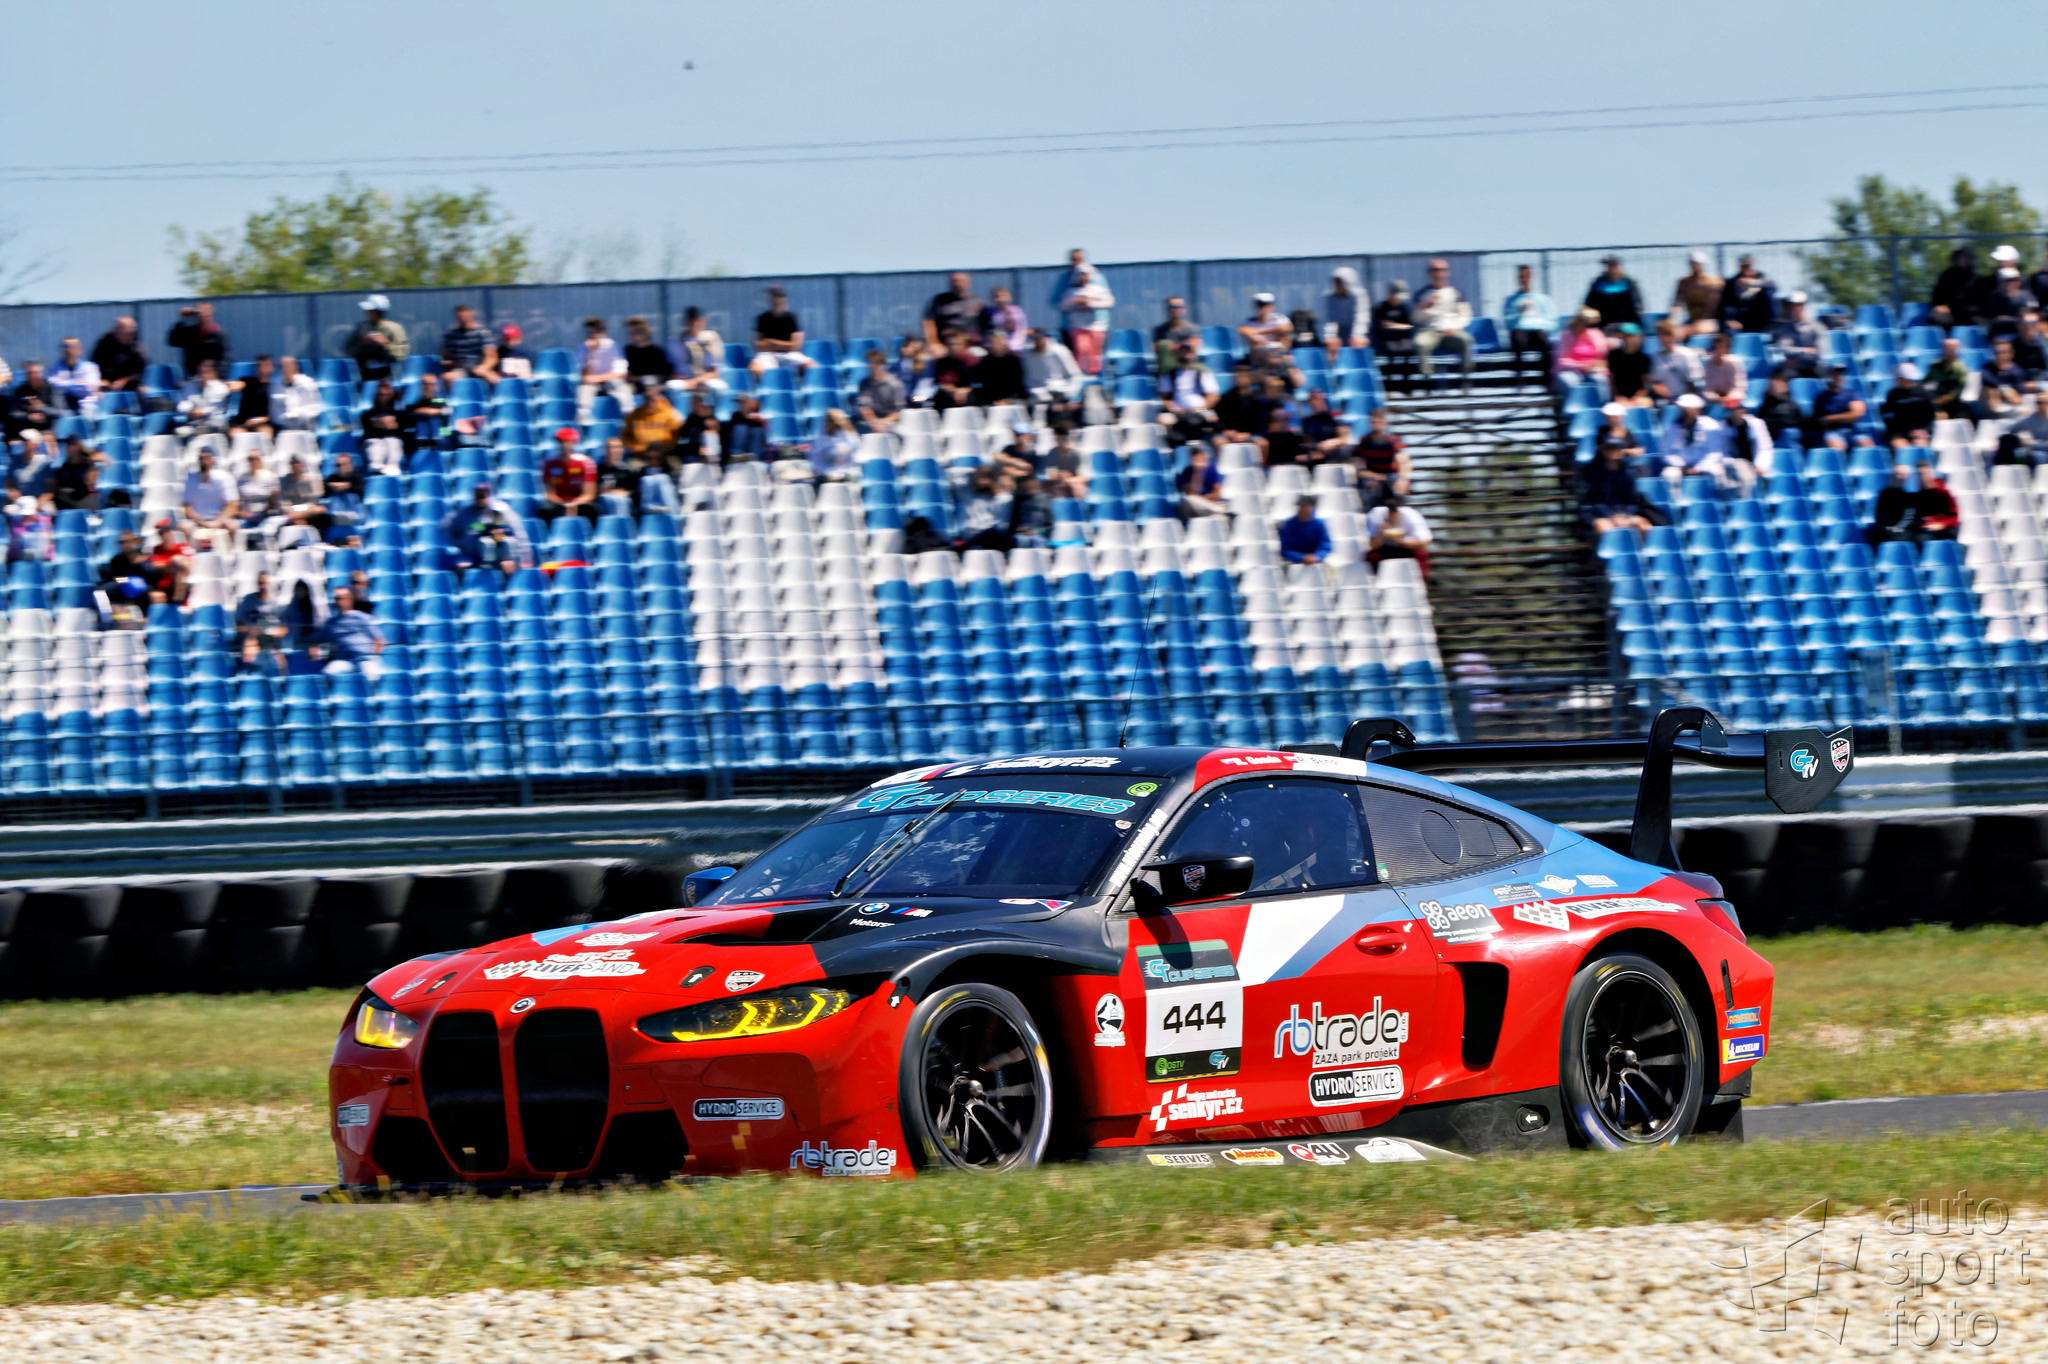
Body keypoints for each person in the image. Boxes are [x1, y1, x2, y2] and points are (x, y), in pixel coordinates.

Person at [1412, 259, 1474, 393]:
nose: (1439, 274)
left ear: (1447, 272)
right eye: (1435, 270)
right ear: (1430, 273)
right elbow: (1416, 319)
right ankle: (1427, 381)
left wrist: (1454, 327)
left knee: (1466, 341)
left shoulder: (1456, 293)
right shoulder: (1421, 294)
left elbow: (1465, 315)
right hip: (1430, 330)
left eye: (1442, 270)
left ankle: (1465, 379)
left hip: (1452, 330)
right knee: (1420, 343)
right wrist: (1424, 308)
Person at [1662, 393, 1737, 488]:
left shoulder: (1711, 425)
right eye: (1682, 408)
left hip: (1706, 464)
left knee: (1717, 473)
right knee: (1669, 475)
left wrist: (1698, 468)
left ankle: (1723, 497)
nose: (1684, 411)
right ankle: (1676, 498)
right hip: (1680, 466)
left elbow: (1715, 452)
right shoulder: (1671, 427)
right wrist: (1682, 465)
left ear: (1697, 409)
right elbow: (1666, 452)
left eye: (1687, 408)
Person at [1582, 443, 1657, 535]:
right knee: (1605, 529)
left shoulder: (1630, 474)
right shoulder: (1594, 475)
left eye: (1617, 449)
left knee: (1644, 526)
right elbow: (1595, 502)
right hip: (1603, 516)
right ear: (1604, 451)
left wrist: (1625, 515)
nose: (1614, 452)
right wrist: (1611, 516)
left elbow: (1633, 500)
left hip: (1625, 515)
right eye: (1610, 449)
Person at [1157, 337, 1220, 445]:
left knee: (1212, 418)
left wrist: (1201, 408)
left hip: (1200, 410)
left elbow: (1213, 396)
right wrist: (1175, 408)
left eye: (1187, 351)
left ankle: (1207, 447)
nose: (1185, 354)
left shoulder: (1203, 372)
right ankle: (1173, 449)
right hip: (1177, 411)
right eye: (1182, 351)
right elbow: (1165, 397)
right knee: (1165, 420)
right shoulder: (1169, 374)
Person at [1501, 264, 1556, 387]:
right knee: (1517, 338)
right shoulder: (1511, 300)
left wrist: (1540, 325)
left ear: (1531, 277)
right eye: (1521, 276)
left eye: (1526, 276)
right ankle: (1520, 380)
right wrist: (1518, 314)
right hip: (1520, 330)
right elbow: (1507, 320)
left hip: (1537, 331)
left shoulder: (1541, 298)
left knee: (1543, 340)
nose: (1524, 279)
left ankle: (1547, 380)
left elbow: (1551, 319)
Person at [1056, 261, 1115, 376]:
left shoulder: (1097, 290)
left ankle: (1095, 376)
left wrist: (1090, 302)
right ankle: (1081, 374)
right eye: (1081, 275)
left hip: (1096, 326)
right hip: (1078, 326)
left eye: (1086, 274)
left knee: (1095, 354)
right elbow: (1062, 306)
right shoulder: (1071, 292)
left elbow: (1109, 302)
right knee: (1082, 349)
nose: (1083, 277)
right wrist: (1076, 302)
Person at [318, 586, 385, 678]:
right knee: (329, 673)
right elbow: (320, 641)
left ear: (350, 599)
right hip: (344, 661)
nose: (339, 601)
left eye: (342, 598)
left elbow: (379, 640)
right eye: (337, 598)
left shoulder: (362, 617)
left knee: (371, 676)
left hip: (365, 659)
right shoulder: (331, 623)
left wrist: (373, 657)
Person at [749, 286, 814, 376]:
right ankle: (768, 384)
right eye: (773, 296)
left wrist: (773, 343)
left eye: (777, 296)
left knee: (811, 366)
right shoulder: (763, 318)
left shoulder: (792, 318)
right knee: (755, 368)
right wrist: (784, 345)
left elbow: (795, 345)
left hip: (789, 354)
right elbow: (758, 345)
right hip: (767, 355)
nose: (775, 299)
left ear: (783, 298)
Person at [539, 427, 599, 524]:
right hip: (559, 503)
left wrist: (574, 504)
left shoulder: (585, 462)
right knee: (546, 510)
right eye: (560, 441)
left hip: (579, 502)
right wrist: (563, 504)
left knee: (592, 509)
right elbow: (550, 493)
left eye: (566, 441)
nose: (563, 445)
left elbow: (589, 494)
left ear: (574, 442)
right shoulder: (549, 464)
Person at [1365, 493, 1432, 577]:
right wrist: (1381, 533)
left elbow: (1425, 541)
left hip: (1408, 548)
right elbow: (1373, 546)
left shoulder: (1412, 516)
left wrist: (1399, 541)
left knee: (1421, 556)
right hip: (1384, 549)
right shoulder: (1376, 514)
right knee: (1372, 557)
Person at [663, 307, 725, 395]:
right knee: (671, 386)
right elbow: (670, 371)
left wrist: (695, 381)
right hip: (684, 381)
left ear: (704, 321)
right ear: (686, 322)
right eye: (691, 321)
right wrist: (677, 377)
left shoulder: (710, 339)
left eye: (698, 320)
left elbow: (713, 373)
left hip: (704, 380)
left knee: (718, 387)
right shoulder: (675, 342)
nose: (695, 324)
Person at [180, 446, 240, 537]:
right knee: (184, 526)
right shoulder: (190, 479)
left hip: (221, 520)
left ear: (213, 460)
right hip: (198, 521)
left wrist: (217, 521)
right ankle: (190, 547)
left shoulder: (225, 478)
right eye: (201, 458)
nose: (204, 461)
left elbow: (232, 505)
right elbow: (187, 506)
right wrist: (201, 522)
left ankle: (233, 547)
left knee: (233, 526)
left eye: (207, 458)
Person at [1353, 407, 1409, 503]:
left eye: (1378, 422)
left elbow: (1403, 462)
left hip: (1391, 476)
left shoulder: (1394, 441)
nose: (1375, 425)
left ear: (1384, 423)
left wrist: (1402, 479)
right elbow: (1359, 470)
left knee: (1398, 488)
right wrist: (1376, 476)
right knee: (1371, 486)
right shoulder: (1364, 442)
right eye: (1373, 422)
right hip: (1372, 476)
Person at [346, 295, 408, 382]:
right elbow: (348, 349)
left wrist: (385, 344)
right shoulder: (362, 327)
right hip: (365, 374)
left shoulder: (394, 328)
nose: (367, 313)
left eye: (371, 310)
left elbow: (401, 355)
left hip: (389, 374)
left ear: (378, 311)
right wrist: (362, 343)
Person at [1370, 281, 1417, 393]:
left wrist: (1395, 326)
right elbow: (1377, 326)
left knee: (1408, 350)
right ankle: (1389, 385)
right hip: (1385, 339)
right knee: (1391, 351)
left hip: (1402, 338)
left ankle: (1406, 384)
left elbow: (1409, 324)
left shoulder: (1404, 308)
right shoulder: (1380, 308)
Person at [1020, 329, 1084, 407]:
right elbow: (1029, 380)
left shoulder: (1060, 351)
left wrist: (1071, 394)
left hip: (1062, 391)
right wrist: (1040, 393)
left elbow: (1075, 375)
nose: (1036, 342)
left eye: (1039, 338)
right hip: (1039, 394)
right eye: (1034, 339)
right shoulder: (1027, 355)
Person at [1808, 365, 1867, 449]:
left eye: (1840, 375)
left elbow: (1856, 414)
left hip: (1853, 430)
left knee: (1866, 444)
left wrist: (1831, 418)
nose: (1838, 377)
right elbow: (1820, 420)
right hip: (1833, 432)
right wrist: (1846, 416)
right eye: (1834, 375)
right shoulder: (1820, 397)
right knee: (1836, 446)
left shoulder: (1852, 394)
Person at [578, 315, 629, 409]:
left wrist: (598, 378)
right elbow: (585, 376)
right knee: (583, 395)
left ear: (603, 333)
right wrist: (589, 353)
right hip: (592, 384)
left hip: (611, 381)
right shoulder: (583, 348)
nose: (591, 336)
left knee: (621, 391)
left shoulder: (613, 346)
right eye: (589, 333)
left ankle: (627, 413)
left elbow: (621, 373)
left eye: (594, 333)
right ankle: (583, 416)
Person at [1717, 256, 1777, 335]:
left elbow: (1773, 287)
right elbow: (1727, 303)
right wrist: (1730, 319)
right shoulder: (1732, 283)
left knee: (1767, 294)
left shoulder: (1762, 279)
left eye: (1748, 266)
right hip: (1739, 319)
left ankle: (1769, 326)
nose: (1746, 269)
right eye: (1743, 266)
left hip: (1759, 318)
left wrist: (1752, 282)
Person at [1880, 363, 1936, 447]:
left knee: (1920, 445)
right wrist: (1895, 434)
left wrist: (1925, 430)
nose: (1897, 380)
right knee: (1900, 445)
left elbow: (1932, 416)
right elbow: (1888, 416)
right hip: (1901, 433)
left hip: (1921, 432)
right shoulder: (1893, 394)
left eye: (1899, 378)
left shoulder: (1924, 393)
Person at [623, 383, 683, 461]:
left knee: (677, 465)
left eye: (652, 399)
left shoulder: (671, 413)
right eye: (647, 398)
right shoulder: (635, 415)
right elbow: (626, 436)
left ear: (658, 397)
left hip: (665, 454)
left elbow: (678, 435)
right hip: (641, 455)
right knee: (631, 466)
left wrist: (666, 448)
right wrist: (636, 447)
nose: (649, 402)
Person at [167, 302, 229, 376]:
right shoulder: (190, 333)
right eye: (200, 312)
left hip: (214, 376)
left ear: (211, 315)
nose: (203, 315)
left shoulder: (219, 333)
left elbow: (227, 358)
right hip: (193, 376)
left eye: (206, 312)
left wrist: (218, 374)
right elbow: (173, 341)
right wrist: (183, 319)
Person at [1215, 367, 1272, 446]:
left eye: (1243, 376)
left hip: (1251, 433)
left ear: (1250, 379)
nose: (1240, 379)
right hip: (1229, 433)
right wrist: (1226, 431)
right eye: (1238, 377)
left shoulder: (1258, 399)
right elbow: (1219, 419)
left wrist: (1247, 434)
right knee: (1219, 442)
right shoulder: (1226, 398)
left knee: (1263, 444)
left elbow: (1261, 422)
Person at [924, 271, 984, 347]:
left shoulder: (977, 302)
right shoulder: (940, 301)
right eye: (954, 281)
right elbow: (929, 322)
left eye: (960, 281)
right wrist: (933, 343)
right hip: (946, 345)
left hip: (971, 345)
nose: (957, 284)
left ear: (968, 283)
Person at [440, 304, 498, 382]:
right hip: (461, 369)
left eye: (465, 316)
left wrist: (483, 367)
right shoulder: (451, 334)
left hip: (479, 368)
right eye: (460, 317)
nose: (463, 319)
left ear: (471, 314)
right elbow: (447, 356)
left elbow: (492, 357)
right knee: (448, 378)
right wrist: (450, 363)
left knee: (494, 379)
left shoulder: (483, 332)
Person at [1583, 255, 1644, 329]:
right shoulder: (1598, 283)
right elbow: (1589, 304)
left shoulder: (1628, 283)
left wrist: (1635, 322)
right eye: (1608, 266)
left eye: (1613, 265)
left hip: (1627, 324)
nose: (1611, 268)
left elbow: (1637, 305)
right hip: (1603, 325)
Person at [1867, 464, 1922, 545]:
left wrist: (1898, 527)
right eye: (1897, 474)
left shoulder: (1910, 495)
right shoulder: (1883, 494)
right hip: (1886, 530)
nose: (1899, 477)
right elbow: (1879, 515)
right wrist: (1888, 527)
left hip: (1903, 531)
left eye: (1903, 475)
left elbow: (1909, 516)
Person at [1648, 319, 1702, 401]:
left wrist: (1686, 398)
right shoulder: (1656, 357)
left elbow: (1694, 383)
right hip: (1667, 399)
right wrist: (1671, 397)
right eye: (1661, 334)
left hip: (1689, 398)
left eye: (1667, 334)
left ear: (1673, 335)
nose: (1663, 338)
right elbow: (1656, 383)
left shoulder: (1688, 354)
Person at [971, 327, 1027, 406]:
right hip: (989, 402)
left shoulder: (1015, 362)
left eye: (995, 342)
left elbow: (1019, 385)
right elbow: (977, 384)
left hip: (1014, 400)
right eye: (990, 342)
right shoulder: (983, 363)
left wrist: (1010, 400)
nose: (991, 345)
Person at [1929, 246, 1982, 328]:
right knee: (1936, 315)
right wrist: (1941, 305)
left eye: (1965, 257)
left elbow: (1977, 302)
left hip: (1969, 315)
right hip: (1950, 314)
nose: (1962, 259)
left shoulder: (1976, 278)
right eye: (1960, 256)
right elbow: (1938, 295)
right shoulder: (1947, 275)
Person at [360, 378, 405, 474]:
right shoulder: (368, 413)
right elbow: (367, 431)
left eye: (386, 394)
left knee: (392, 441)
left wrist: (384, 424)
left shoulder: (398, 413)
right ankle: (376, 466)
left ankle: (392, 465)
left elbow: (401, 429)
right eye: (381, 395)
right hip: (375, 441)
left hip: (393, 441)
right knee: (374, 443)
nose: (383, 397)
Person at [90, 317, 146, 393]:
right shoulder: (104, 343)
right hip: (106, 381)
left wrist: (124, 380)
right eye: (117, 328)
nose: (117, 330)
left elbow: (139, 372)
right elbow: (94, 363)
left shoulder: (136, 348)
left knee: (142, 391)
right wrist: (99, 379)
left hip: (128, 383)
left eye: (121, 329)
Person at [1552, 309, 1609, 384]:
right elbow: (1561, 361)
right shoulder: (1565, 336)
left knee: (1600, 379)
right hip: (1570, 371)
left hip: (1592, 371)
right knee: (1570, 381)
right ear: (1578, 322)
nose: (1589, 327)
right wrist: (1581, 366)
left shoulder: (1596, 334)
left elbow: (1602, 356)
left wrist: (1595, 364)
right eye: (1587, 323)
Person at [48, 337, 102, 416]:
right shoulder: (55, 368)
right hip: (63, 405)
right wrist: (76, 383)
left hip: (85, 404)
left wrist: (65, 384)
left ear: (79, 350)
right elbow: (52, 384)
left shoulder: (89, 367)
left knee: (88, 415)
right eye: (64, 347)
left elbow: (89, 387)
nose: (67, 350)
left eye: (70, 347)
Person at [1671, 252, 1724, 333]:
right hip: (1693, 321)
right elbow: (1677, 304)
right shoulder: (1684, 283)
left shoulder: (1715, 282)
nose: (1695, 266)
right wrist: (1672, 321)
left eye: (1698, 263)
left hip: (1712, 321)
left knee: (1691, 330)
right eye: (1693, 263)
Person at [175, 359, 230, 432]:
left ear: (215, 373)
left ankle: (199, 430)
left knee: (219, 424)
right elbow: (182, 404)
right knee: (180, 431)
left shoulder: (221, 388)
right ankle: (195, 430)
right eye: (200, 372)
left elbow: (217, 409)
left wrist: (202, 412)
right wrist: (190, 410)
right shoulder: (189, 386)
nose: (203, 376)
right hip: (194, 420)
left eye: (207, 372)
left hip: (213, 420)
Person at [227, 353, 276, 434]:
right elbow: (236, 385)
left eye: (265, 365)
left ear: (272, 368)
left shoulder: (275, 387)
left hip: (263, 422)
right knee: (236, 434)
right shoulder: (248, 381)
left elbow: (277, 413)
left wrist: (260, 420)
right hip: (243, 422)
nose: (262, 368)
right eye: (259, 365)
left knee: (264, 433)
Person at [1982, 338, 2032, 417]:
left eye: (2003, 352)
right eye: (1996, 352)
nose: (1999, 355)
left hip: (2011, 404)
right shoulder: (1987, 369)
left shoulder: (2017, 371)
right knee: (1991, 392)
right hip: (1991, 404)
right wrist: (2003, 389)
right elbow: (1988, 385)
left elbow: (2017, 397)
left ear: (2011, 354)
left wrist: (2005, 391)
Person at [1926, 336, 1972, 421]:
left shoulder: (1961, 369)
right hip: (1935, 399)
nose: (1948, 351)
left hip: (1953, 403)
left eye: (1951, 348)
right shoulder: (1935, 366)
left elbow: (1957, 391)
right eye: (1946, 348)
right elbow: (1926, 382)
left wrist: (1940, 400)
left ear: (1956, 350)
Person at [1174, 443, 1225, 518]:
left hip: (1213, 504)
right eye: (1193, 454)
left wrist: (1201, 499)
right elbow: (1190, 494)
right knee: (1187, 500)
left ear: (1206, 454)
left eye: (1199, 453)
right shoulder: (1187, 471)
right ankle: (1217, 511)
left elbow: (1217, 495)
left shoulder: (1214, 468)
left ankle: (1217, 512)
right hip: (1198, 506)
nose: (1196, 456)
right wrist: (1197, 473)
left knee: (1193, 500)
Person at [1278, 495, 1332, 566]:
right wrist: (1301, 557)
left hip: (1316, 560)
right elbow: (1286, 549)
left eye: (1305, 506)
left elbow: (1325, 544)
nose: (1302, 509)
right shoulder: (1289, 524)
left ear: (1312, 507)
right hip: (1294, 562)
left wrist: (1317, 556)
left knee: (1330, 568)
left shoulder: (1319, 524)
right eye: (1301, 506)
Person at [808, 409, 860, 482]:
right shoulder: (820, 440)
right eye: (828, 421)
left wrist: (844, 474)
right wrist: (826, 473)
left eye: (833, 421)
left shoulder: (852, 438)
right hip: (826, 475)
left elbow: (855, 460)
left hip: (847, 473)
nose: (830, 424)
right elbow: (816, 461)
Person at [930, 331, 978, 410]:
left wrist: (964, 390)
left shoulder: (974, 362)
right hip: (951, 395)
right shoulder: (943, 362)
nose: (953, 347)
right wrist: (955, 391)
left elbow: (978, 383)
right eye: (949, 344)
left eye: (957, 344)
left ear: (964, 345)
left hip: (971, 393)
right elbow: (944, 383)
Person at [50, 438, 100, 512]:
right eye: (68, 446)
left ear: (78, 447)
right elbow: (58, 486)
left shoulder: (88, 464)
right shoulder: (64, 466)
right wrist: (61, 490)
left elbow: (90, 482)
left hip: (85, 498)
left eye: (72, 445)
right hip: (68, 500)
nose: (68, 448)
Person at [273, 355, 322, 430]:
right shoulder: (276, 387)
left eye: (288, 366)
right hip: (285, 428)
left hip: (306, 426)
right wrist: (286, 418)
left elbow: (315, 407)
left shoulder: (308, 383)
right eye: (283, 366)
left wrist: (297, 414)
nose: (286, 369)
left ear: (296, 367)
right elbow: (275, 413)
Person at [622, 315, 672, 388]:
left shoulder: (656, 351)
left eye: (636, 332)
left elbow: (664, 374)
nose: (632, 335)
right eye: (631, 332)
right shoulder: (627, 350)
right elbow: (626, 375)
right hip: (633, 387)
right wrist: (639, 379)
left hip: (655, 387)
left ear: (646, 332)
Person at [1324, 266, 1368, 348]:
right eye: (1336, 282)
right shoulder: (1330, 297)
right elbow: (1331, 318)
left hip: (1358, 330)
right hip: (1339, 332)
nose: (1338, 285)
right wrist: (1330, 336)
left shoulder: (1360, 295)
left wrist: (1358, 335)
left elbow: (1361, 315)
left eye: (1340, 282)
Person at [1152, 296, 1200, 371]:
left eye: (1179, 307)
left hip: (1188, 368)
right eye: (1172, 307)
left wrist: (1168, 348)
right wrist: (1181, 347)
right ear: (1167, 309)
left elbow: (1192, 348)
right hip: (1166, 369)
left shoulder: (1192, 328)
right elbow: (1157, 351)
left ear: (1184, 309)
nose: (1175, 309)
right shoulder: (1159, 330)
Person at [1606, 324, 1650, 403]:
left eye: (1636, 336)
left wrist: (1636, 398)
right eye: (1630, 336)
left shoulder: (1643, 358)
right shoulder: (1614, 356)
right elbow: (1611, 381)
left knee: (1645, 403)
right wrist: (1618, 397)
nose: (1634, 339)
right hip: (1619, 398)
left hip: (1638, 398)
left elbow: (1645, 385)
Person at [1700, 332, 1747, 405]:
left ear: (1727, 349)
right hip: (1716, 398)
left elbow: (1739, 387)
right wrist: (1716, 398)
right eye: (1715, 348)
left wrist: (1728, 398)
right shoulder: (1708, 364)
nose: (1718, 351)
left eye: (1721, 347)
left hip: (1732, 397)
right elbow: (1708, 388)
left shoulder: (1735, 362)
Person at [1755, 374, 1802, 445]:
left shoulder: (1791, 404)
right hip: (1770, 436)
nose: (1775, 386)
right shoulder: (1766, 403)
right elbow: (1762, 420)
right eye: (1772, 385)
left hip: (1787, 438)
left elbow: (1794, 421)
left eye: (1778, 384)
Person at [979, 285, 1028, 351]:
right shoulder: (988, 312)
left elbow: (1018, 329)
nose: (1000, 299)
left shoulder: (1016, 311)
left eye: (1003, 296)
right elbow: (986, 331)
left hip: (1013, 347)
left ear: (1009, 297)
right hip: (993, 348)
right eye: (997, 296)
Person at [722, 393, 769, 460]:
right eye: (739, 403)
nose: (741, 405)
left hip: (755, 453)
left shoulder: (760, 418)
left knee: (755, 431)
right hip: (736, 452)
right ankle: (737, 458)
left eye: (744, 402)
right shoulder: (735, 416)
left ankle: (754, 459)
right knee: (741, 428)